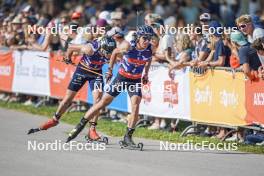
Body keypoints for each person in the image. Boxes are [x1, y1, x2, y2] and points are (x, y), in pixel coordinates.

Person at [66, 25, 155, 147]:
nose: (147, 41)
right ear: (138, 37)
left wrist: (146, 74)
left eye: (149, 38)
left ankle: (127, 138)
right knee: (103, 102)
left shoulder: (150, 48)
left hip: (135, 80)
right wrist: (110, 70)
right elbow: (114, 52)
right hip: (122, 77)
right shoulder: (128, 46)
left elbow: (149, 59)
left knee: (136, 104)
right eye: (145, 38)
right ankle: (80, 125)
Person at [28, 36, 116, 142]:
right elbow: (70, 48)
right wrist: (68, 58)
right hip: (82, 71)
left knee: (98, 100)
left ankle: (92, 130)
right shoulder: (89, 49)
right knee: (68, 98)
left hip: (96, 73)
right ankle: (55, 119)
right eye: (106, 52)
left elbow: (114, 57)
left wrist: (110, 70)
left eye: (109, 53)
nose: (108, 55)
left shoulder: (111, 51)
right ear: (101, 47)